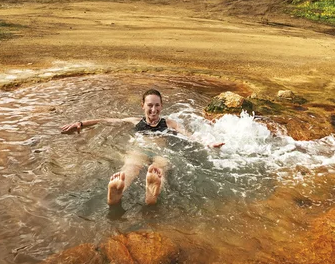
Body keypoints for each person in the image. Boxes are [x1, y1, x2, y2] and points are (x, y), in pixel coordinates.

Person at [60, 88, 223, 206]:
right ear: (143, 106)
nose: (154, 109)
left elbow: (188, 134)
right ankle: (117, 192)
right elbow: (106, 121)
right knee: (131, 167)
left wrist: (207, 143)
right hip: (139, 150)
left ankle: (152, 192)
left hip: (160, 151)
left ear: (161, 106)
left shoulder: (170, 123)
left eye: (157, 105)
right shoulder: (134, 121)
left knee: (159, 167)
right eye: (150, 105)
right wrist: (81, 123)